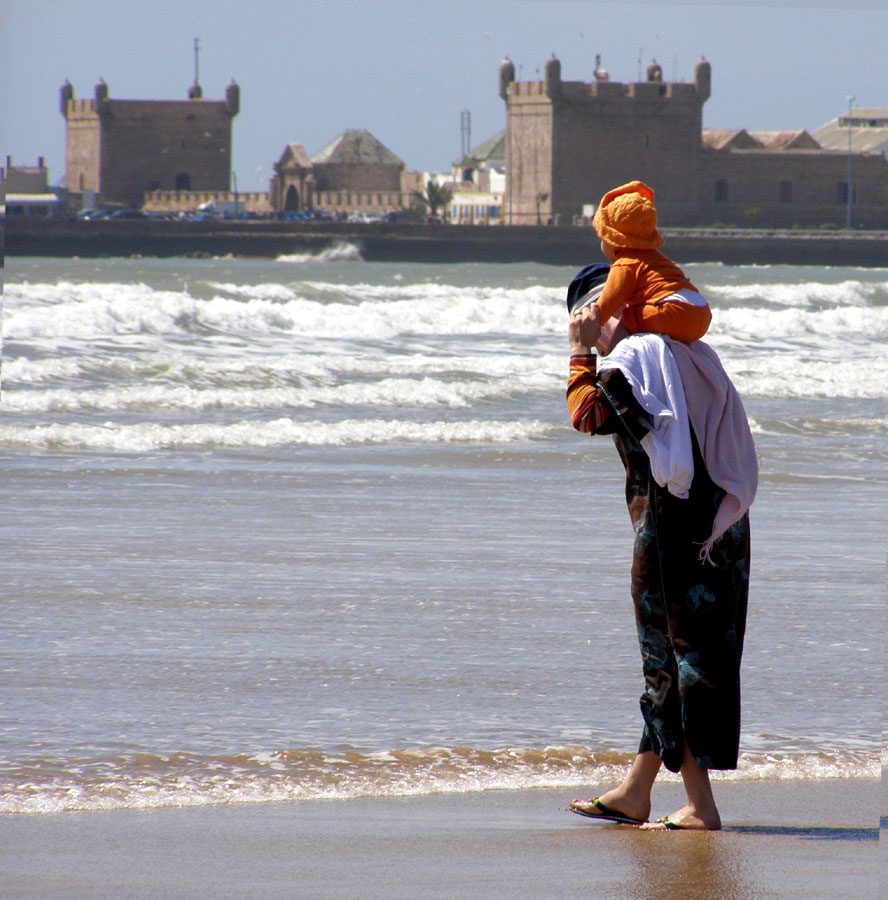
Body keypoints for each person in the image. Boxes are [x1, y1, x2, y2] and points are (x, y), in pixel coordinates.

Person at [564, 267, 758, 831]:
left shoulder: (638, 360)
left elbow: (587, 414)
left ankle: (701, 806)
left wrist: (580, 354)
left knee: (674, 661)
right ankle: (636, 790)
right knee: (689, 658)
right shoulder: (690, 354)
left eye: (595, 312)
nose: (593, 323)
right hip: (724, 526)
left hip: (673, 530)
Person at [588, 180, 711, 343]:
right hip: (701, 311)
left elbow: (605, 306)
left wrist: (587, 330)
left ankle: (614, 360)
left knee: (629, 317)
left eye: (601, 238)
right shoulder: (658, 259)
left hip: (675, 313)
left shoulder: (625, 263)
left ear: (613, 241)